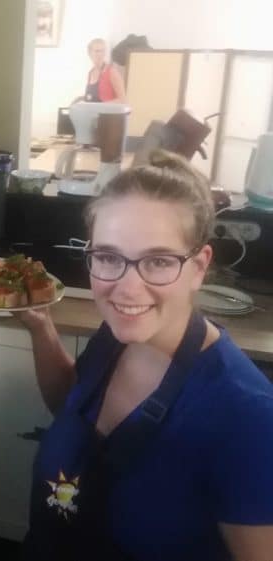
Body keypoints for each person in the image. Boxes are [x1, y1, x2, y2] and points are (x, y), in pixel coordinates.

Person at [18, 150, 273, 561]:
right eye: (108, 257)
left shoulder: (249, 418)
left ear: (199, 267)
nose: (127, 288)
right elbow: (70, 407)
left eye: (157, 261)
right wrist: (41, 327)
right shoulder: (115, 336)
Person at [73, 38, 126, 104]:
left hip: (105, 111)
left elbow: (123, 100)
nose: (100, 54)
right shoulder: (91, 73)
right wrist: (80, 99)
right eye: (97, 51)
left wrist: (100, 106)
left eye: (102, 51)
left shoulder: (112, 72)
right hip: (92, 110)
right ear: (89, 53)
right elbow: (92, 97)